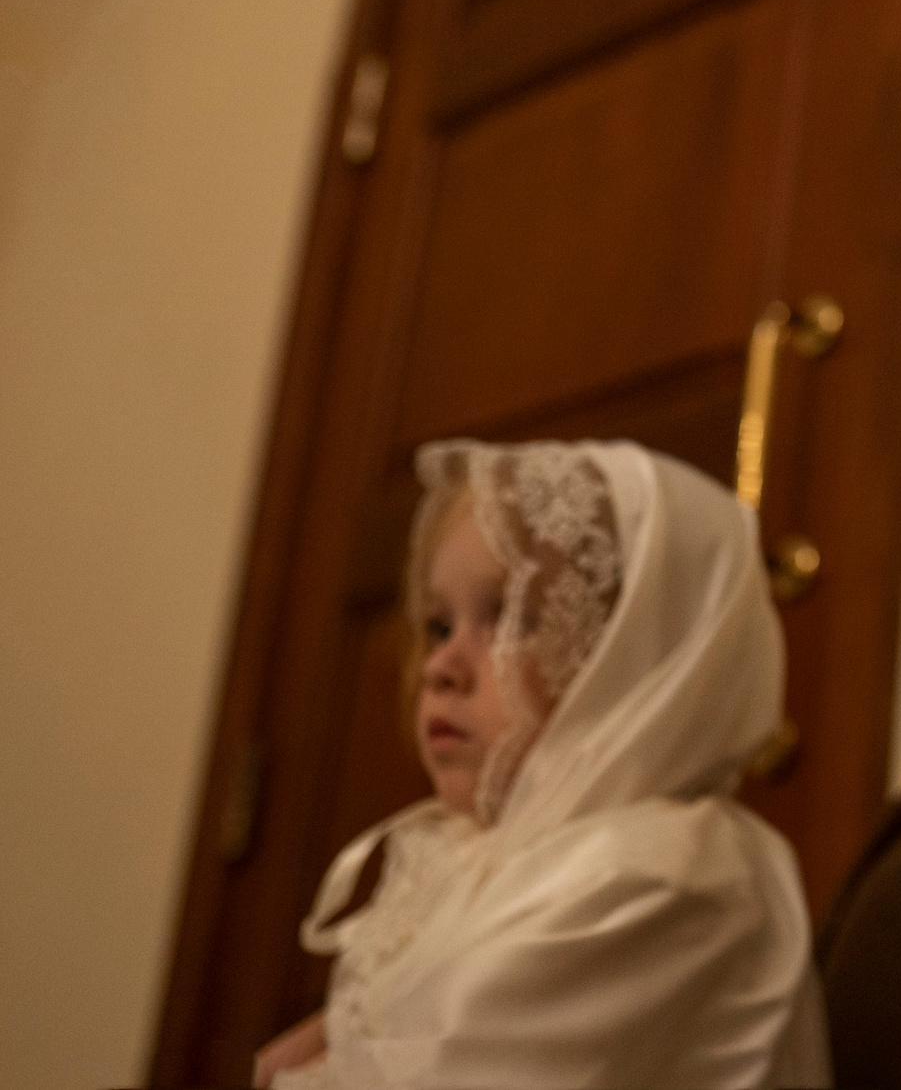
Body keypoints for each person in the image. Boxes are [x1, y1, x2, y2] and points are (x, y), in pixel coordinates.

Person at [252, 440, 830, 1089]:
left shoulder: (658, 872)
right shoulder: (473, 856)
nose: (441, 666)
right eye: (440, 625)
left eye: (513, 617)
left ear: (637, 657)